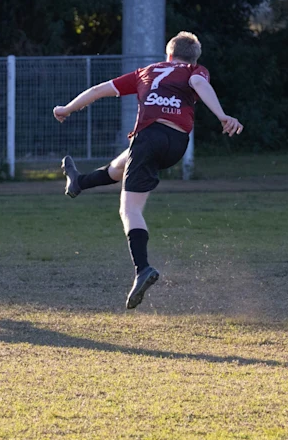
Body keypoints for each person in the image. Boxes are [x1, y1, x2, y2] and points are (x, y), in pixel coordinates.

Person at [53, 32, 243, 309]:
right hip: (176, 143)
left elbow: (97, 91)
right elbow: (199, 83)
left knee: (129, 210)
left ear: (168, 54)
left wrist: (66, 108)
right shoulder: (193, 70)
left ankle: (142, 268)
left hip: (149, 136)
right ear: (194, 57)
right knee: (121, 166)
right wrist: (222, 115)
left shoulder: (147, 71)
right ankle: (79, 182)